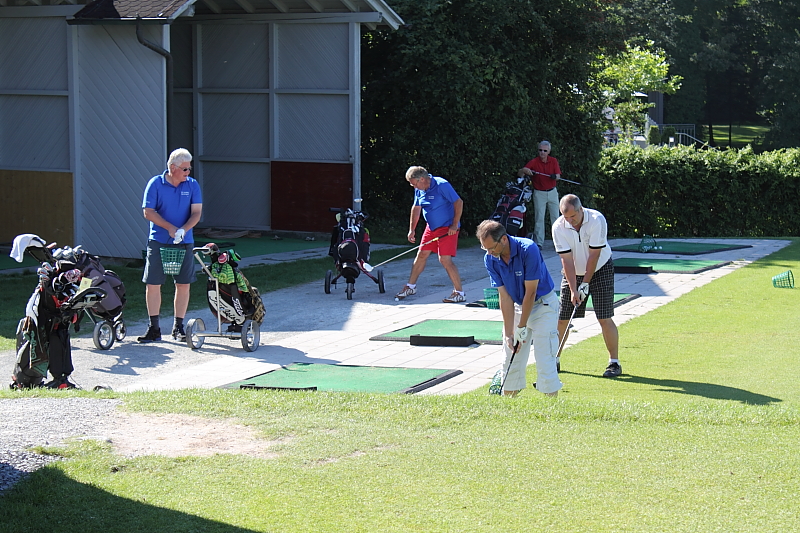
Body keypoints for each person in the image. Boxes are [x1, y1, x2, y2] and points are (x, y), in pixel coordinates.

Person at [476, 220, 562, 397]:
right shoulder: (490, 259)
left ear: (503, 239)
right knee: (510, 357)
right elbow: (505, 297)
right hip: (517, 306)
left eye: (491, 248)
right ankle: (508, 403)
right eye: (485, 249)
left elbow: (531, 292)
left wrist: (522, 327)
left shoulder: (528, 249)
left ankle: (552, 406)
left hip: (542, 305)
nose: (489, 253)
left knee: (545, 357)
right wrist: (509, 333)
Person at [138, 148, 203, 343]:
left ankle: (178, 327)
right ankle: (154, 328)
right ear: (173, 168)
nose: (188, 172)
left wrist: (183, 229)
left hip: (185, 242)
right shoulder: (155, 184)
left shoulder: (192, 185)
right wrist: (170, 228)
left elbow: (196, 213)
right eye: (185, 169)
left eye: (189, 169)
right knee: (153, 284)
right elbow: (148, 212)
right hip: (158, 240)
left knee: (183, 284)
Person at [552, 194, 621, 377]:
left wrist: (585, 284)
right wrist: (574, 289)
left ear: (581, 209)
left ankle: (614, 363)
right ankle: (553, 360)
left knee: (604, 317)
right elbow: (566, 261)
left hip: (601, 268)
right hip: (573, 272)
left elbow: (594, 255)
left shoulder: (597, 220)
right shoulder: (558, 226)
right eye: (566, 217)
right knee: (562, 318)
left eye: (573, 216)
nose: (570, 221)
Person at [395, 166, 466, 303]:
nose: (413, 186)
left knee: (444, 259)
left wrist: (454, 224)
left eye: (413, 183)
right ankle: (411, 287)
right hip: (431, 227)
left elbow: (458, 202)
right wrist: (412, 229)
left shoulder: (441, 185)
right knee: (421, 254)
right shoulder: (419, 189)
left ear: (422, 179)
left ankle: (459, 293)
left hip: (447, 227)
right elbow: (416, 208)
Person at [518, 140, 561, 249]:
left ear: (549, 151)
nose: (542, 152)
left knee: (556, 217)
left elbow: (558, 176)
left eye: (545, 151)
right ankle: (539, 243)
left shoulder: (553, 161)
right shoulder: (534, 161)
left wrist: (554, 176)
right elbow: (521, 173)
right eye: (540, 150)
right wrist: (524, 170)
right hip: (539, 193)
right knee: (539, 218)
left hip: (552, 192)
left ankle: (558, 242)